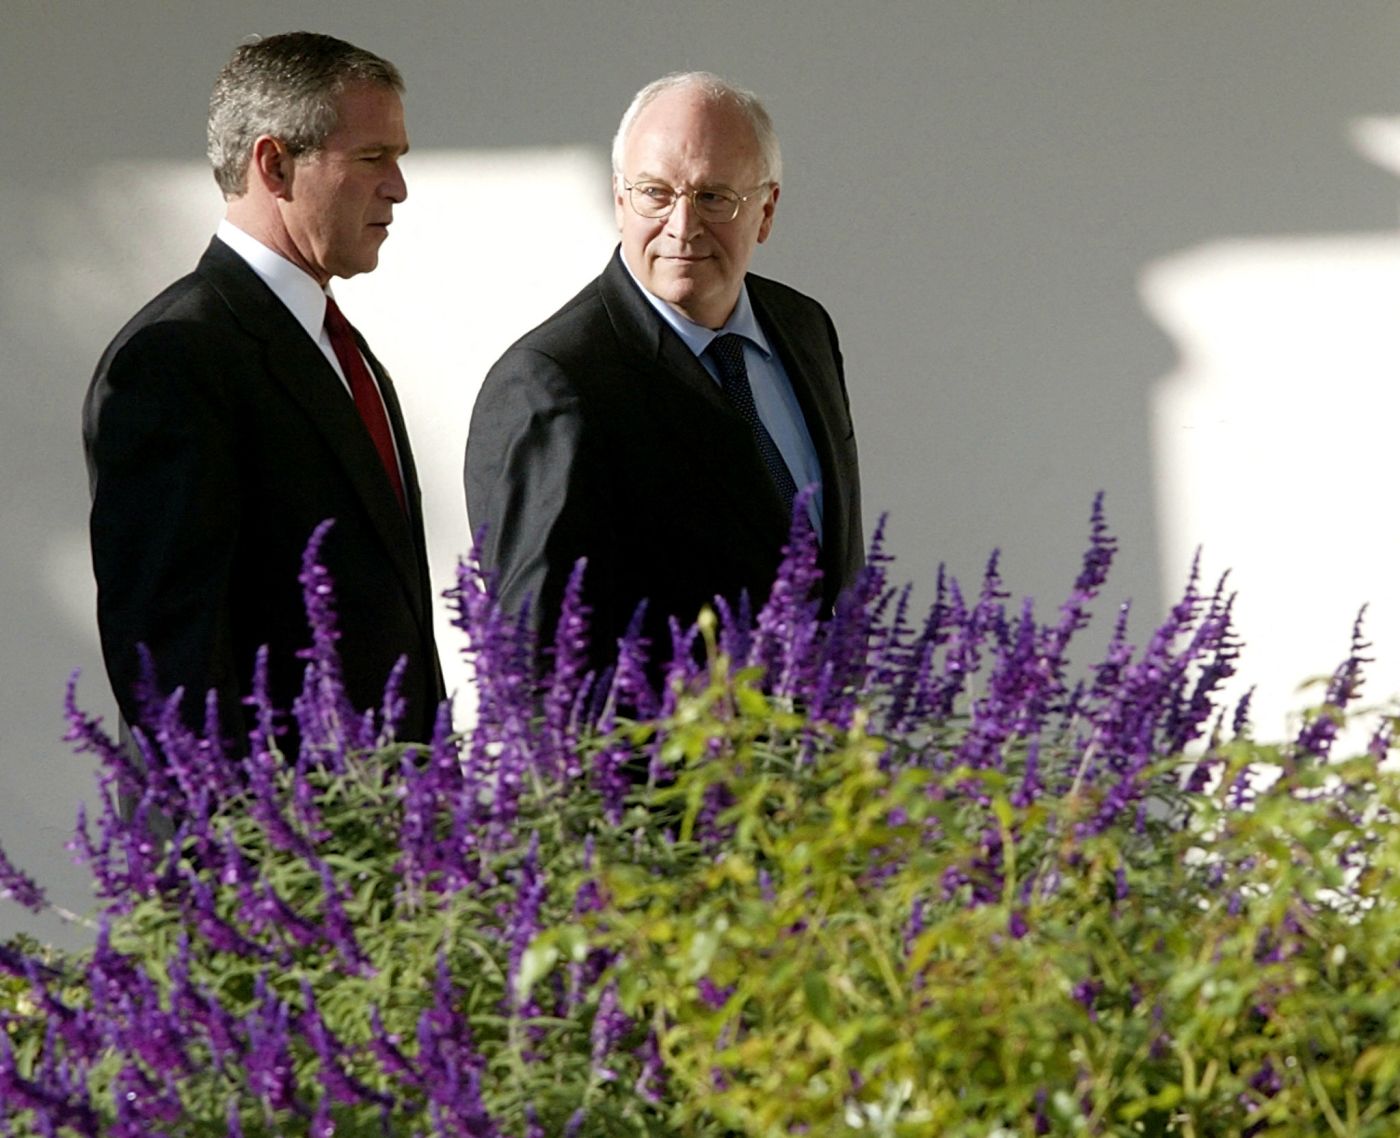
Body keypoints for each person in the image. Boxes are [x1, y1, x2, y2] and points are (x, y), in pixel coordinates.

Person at [83, 32, 444, 748]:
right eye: (373, 158)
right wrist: (264, 852)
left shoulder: (344, 352)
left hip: (387, 837)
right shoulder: (175, 359)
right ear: (275, 164)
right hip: (277, 848)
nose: (398, 188)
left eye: (398, 160)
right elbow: (171, 671)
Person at [465, 71, 863, 674]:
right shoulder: (553, 384)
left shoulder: (804, 327)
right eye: (655, 193)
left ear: (766, 210)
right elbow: (540, 663)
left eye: (713, 198)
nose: (682, 227)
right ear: (619, 198)